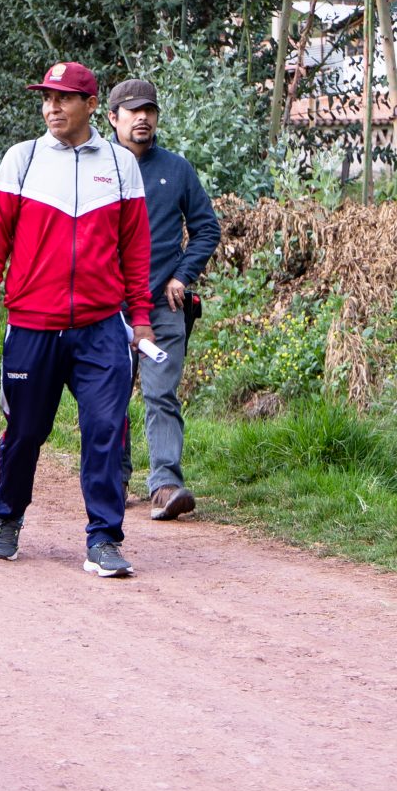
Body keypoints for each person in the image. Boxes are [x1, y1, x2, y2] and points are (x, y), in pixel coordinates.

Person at [0, 60, 152, 579]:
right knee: (26, 431)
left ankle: (104, 539)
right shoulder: (22, 159)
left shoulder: (121, 165)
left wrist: (139, 319)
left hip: (101, 327)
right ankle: (7, 519)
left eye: (64, 98)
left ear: (91, 105)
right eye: (46, 98)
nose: (52, 107)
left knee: (104, 430)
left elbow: (136, 251)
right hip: (32, 325)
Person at [106, 78, 222, 521]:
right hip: (108, 308)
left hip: (161, 306)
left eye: (149, 110)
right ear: (112, 117)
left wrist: (182, 275)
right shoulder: (98, 168)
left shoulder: (176, 170)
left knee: (160, 394)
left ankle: (165, 485)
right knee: (110, 396)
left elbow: (206, 228)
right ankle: (112, 480)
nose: (143, 118)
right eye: (133, 111)